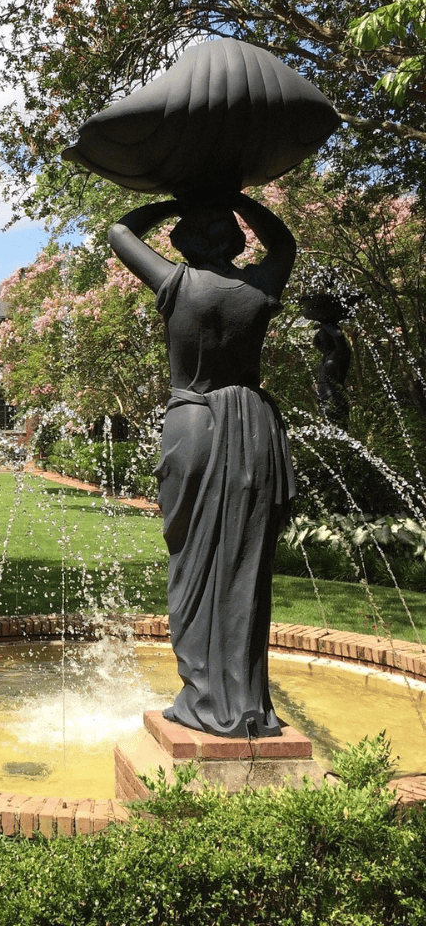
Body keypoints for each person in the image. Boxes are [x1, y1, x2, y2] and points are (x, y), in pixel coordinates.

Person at [108, 194, 297, 738]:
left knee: (191, 560)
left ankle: (202, 695)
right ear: (235, 239)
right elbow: (284, 242)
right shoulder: (258, 287)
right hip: (253, 425)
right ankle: (246, 701)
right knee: (246, 564)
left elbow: (120, 232)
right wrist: (237, 197)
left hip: (193, 422)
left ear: (185, 241)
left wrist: (175, 200)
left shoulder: (177, 284)